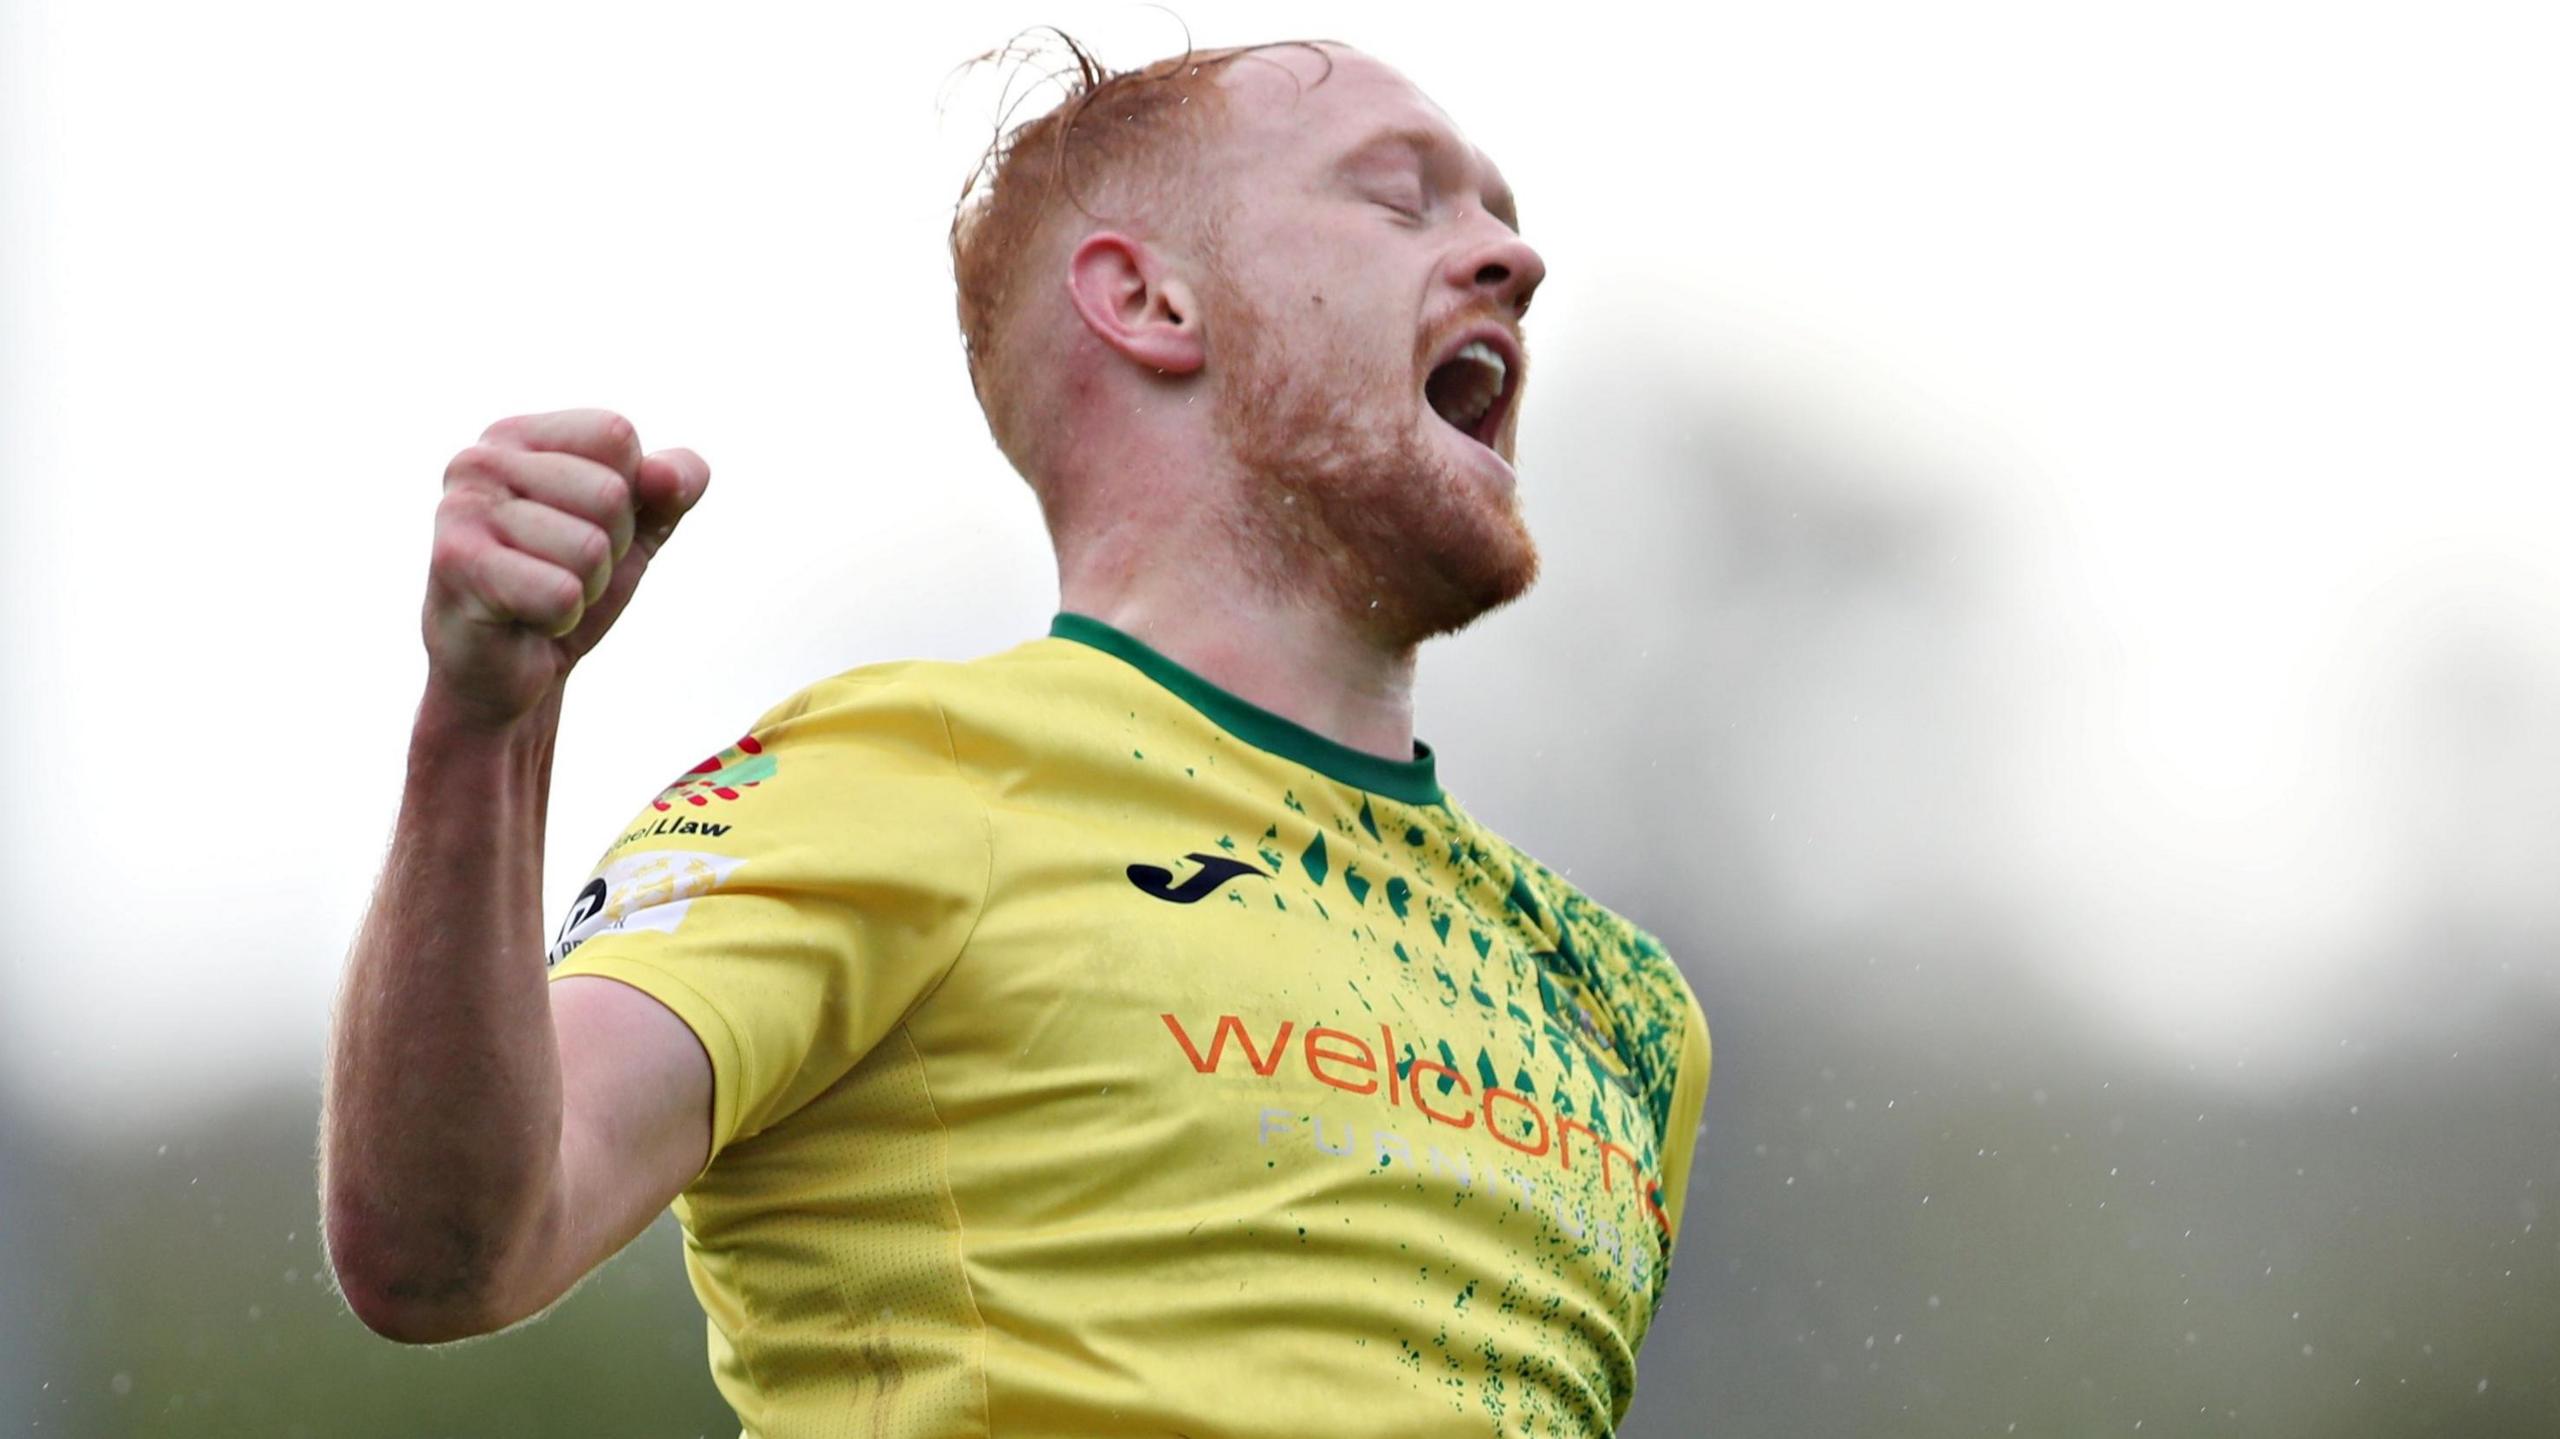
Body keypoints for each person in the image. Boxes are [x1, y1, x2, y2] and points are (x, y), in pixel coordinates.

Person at [321, 34, 1711, 1438]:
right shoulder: (900, 778)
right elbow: (450, 1252)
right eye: (1402, 201)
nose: (1512, 265)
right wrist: (485, 728)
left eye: (1504, 223)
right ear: (1149, 298)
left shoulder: (1621, 1004)